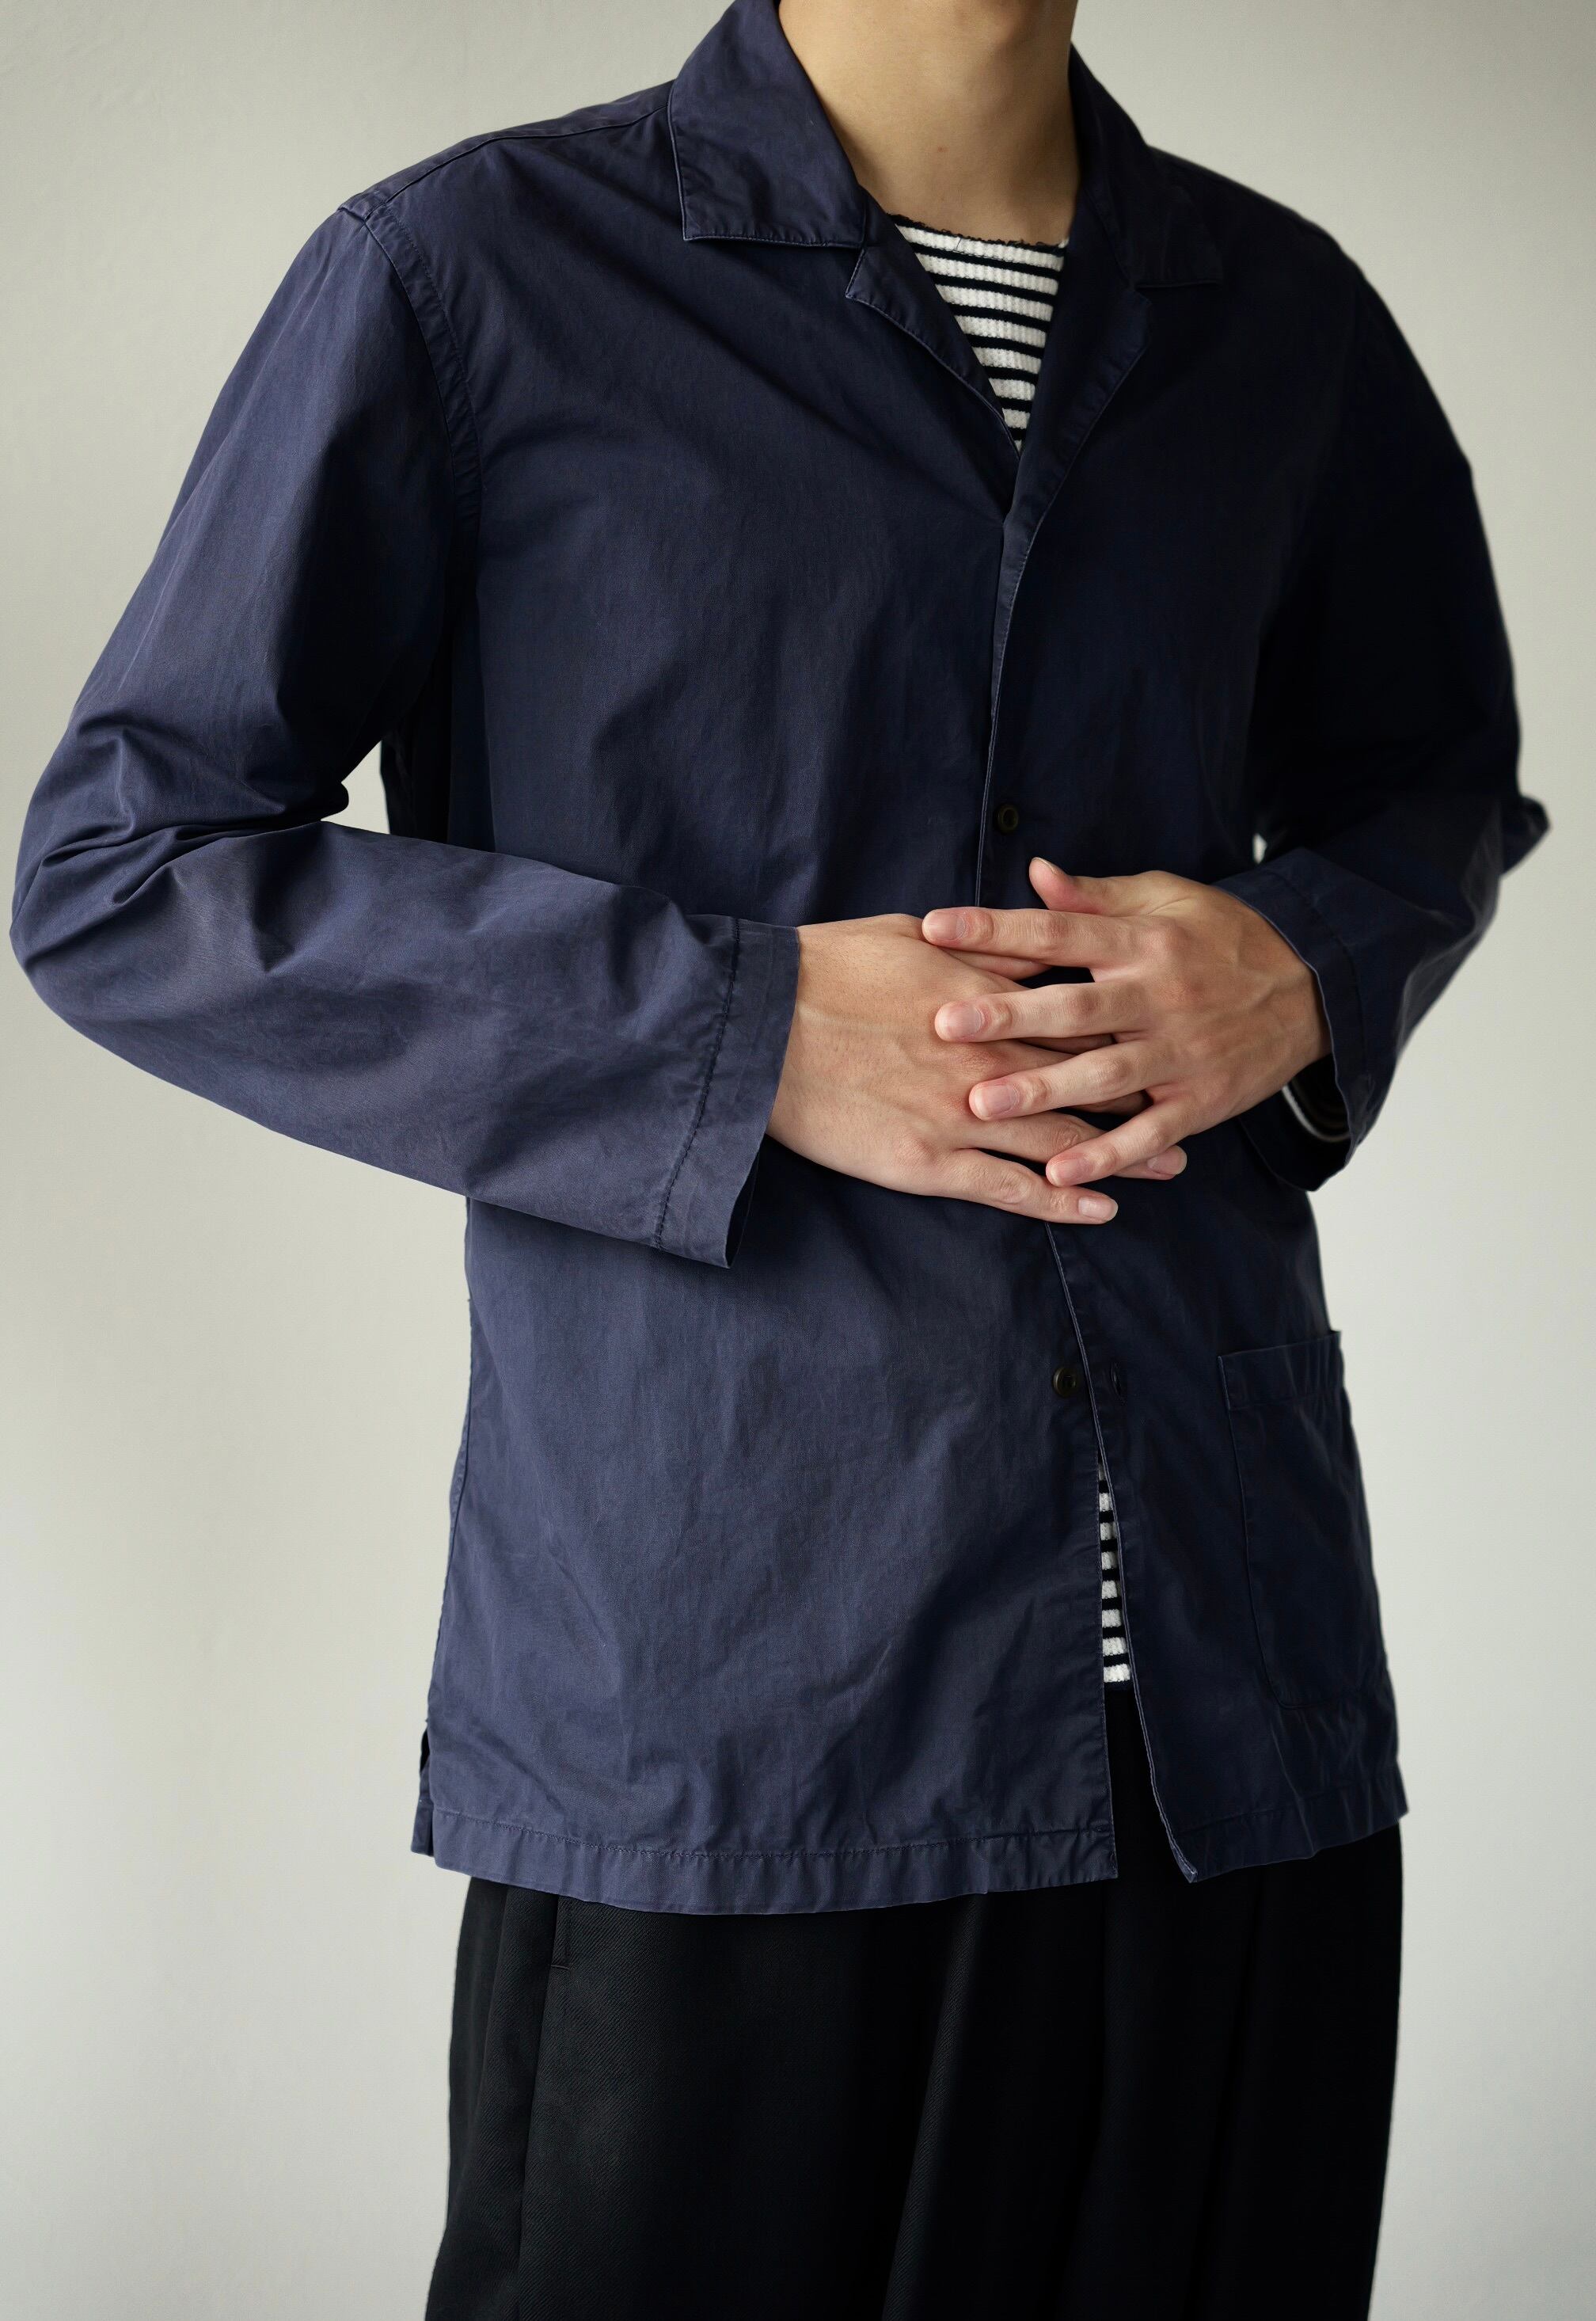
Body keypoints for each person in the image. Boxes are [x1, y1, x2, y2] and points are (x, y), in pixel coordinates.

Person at [10, 0, 1547, 2313]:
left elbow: (1427, 783)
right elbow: (127, 873)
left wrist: (1299, 965)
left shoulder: (1280, 318)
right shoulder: (474, 272)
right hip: (737, 1714)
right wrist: (740, 1034)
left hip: (1236, 1721)